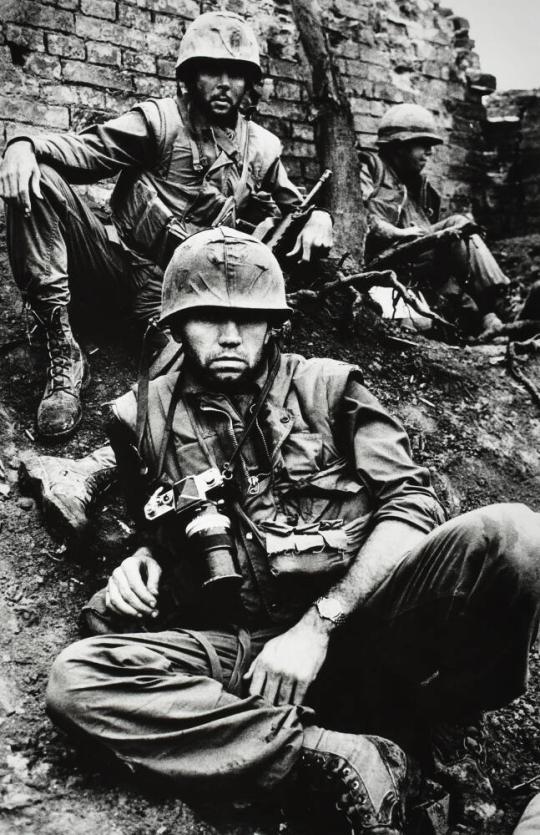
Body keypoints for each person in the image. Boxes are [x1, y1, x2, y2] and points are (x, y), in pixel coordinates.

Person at [46, 228, 540, 834]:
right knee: (78, 681)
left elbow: (413, 504)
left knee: (515, 535)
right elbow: (154, 518)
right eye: (208, 317)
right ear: (176, 323)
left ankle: (434, 723)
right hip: (244, 650)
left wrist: (320, 623)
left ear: (273, 323)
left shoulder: (329, 387)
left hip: (366, 626)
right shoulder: (139, 416)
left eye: (247, 319)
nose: (230, 336)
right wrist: (139, 561)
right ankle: (329, 753)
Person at [0, 10, 332, 439]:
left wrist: (319, 216)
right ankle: (60, 343)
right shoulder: (159, 121)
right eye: (211, 70)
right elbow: (86, 151)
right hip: (116, 266)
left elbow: (295, 207)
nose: (224, 83)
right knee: (41, 178)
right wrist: (23, 145)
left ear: (250, 83)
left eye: (236, 73)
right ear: (191, 76)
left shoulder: (263, 148)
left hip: (177, 298)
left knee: (197, 375)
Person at [361, 103, 540, 337]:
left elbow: (445, 268)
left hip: (416, 271)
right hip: (384, 261)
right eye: (423, 145)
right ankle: (507, 307)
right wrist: (396, 233)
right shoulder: (369, 166)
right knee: (457, 225)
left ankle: (498, 317)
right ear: (399, 145)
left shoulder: (423, 191)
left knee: (456, 246)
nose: (429, 153)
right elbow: (358, 215)